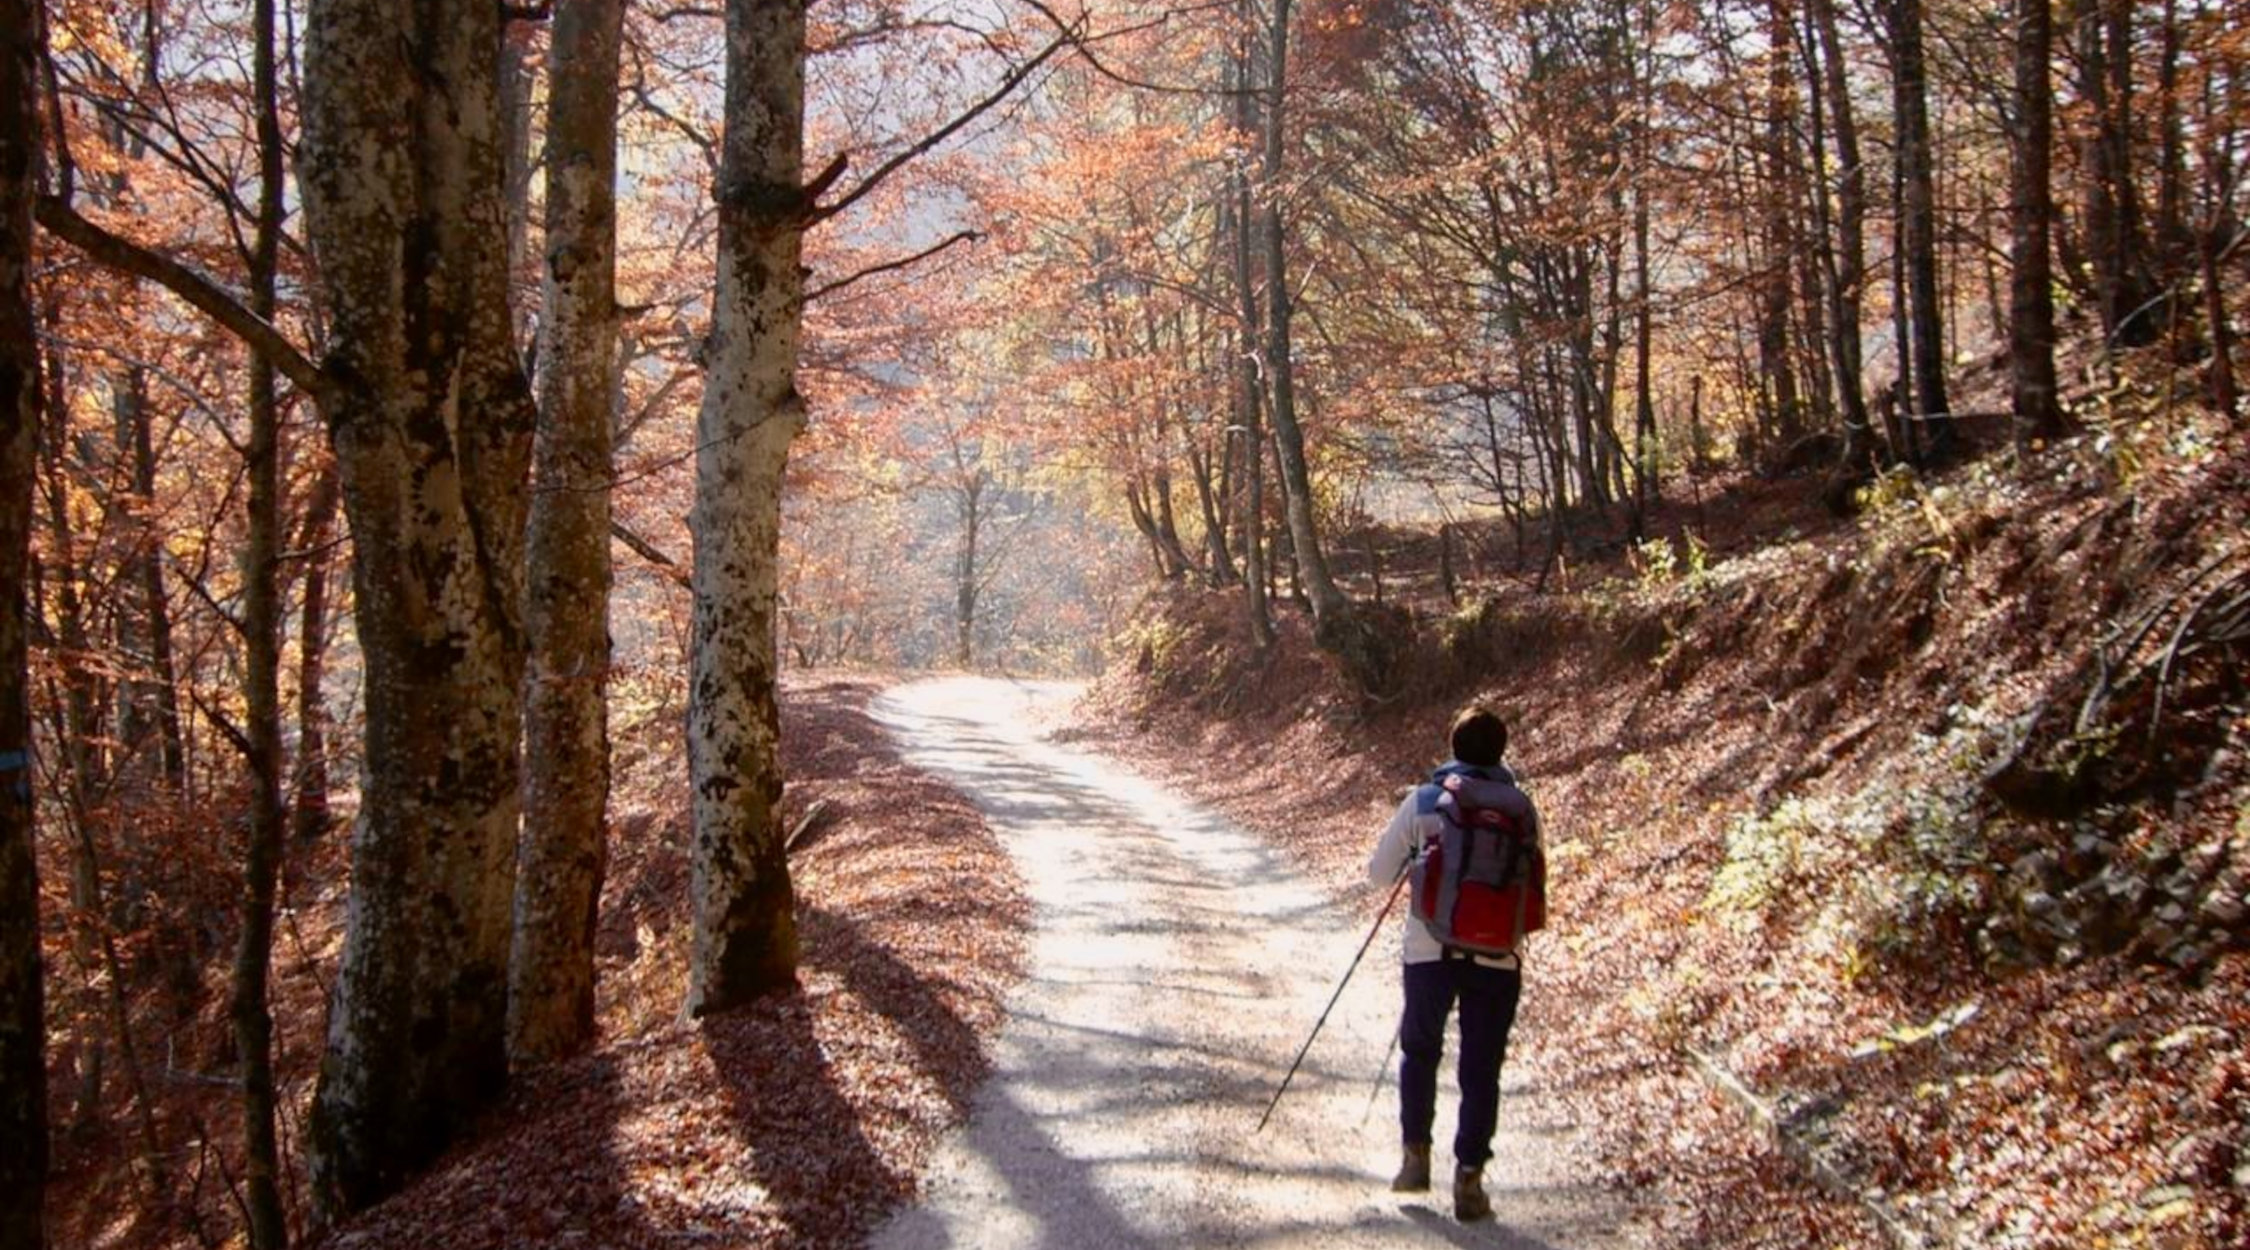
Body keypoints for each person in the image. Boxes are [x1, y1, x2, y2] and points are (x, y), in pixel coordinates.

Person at [1366, 703, 1537, 1223]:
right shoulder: (1521, 808)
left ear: (1452, 748)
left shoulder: (1423, 801)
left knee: (1419, 1050)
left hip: (1427, 951)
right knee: (1481, 1068)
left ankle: (1415, 1156)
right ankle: (1469, 1178)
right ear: (1502, 751)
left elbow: (1378, 873)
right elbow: (1532, 882)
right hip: (1498, 958)